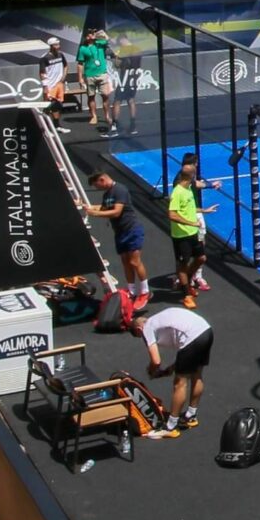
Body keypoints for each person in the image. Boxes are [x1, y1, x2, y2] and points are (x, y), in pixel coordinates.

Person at [139, 304, 213, 437]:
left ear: (139, 329)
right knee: (197, 375)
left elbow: (156, 361)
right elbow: (185, 349)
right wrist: (172, 368)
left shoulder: (147, 327)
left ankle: (170, 427)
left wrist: (152, 371)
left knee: (180, 383)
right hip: (206, 331)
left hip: (193, 338)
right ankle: (191, 416)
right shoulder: (161, 318)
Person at [85, 172, 151, 320]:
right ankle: (131, 291)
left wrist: (94, 214)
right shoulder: (107, 194)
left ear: (102, 180)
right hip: (120, 233)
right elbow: (104, 208)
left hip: (131, 229)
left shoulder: (120, 190)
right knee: (125, 262)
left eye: (97, 185)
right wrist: (89, 207)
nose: (98, 188)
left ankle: (145, 291)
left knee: (135, 261)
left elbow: (116, 212)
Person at [165, 155, 222, 307]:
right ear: (191, 176)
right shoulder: (177, 192)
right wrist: (191, 222)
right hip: (181, 235)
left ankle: (188, 281)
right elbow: (171, 214)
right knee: (183, 264)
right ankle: (186, 294)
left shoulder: (189, 188)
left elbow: (190, 208)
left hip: (192, 232)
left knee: (201, 258)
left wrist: (204, 210)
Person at [76, 27, 114, 134]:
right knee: (91, 96)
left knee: (105, 95)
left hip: (102, 73)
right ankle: (94, 116)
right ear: (86, 37)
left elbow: (108, 40)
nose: (91, 35)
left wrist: (100, 34)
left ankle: (107, 115)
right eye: (89, 34)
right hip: (89, 75)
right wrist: (80, 78)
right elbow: (80, 64)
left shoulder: (99, 43)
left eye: (92, 33)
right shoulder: (83, 48)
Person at [38, 39, 71, 127]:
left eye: (58, 44)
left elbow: (66, 65)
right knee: (48, 106)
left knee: (57, 105)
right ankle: (45, 127)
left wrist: (63, 77)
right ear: (51, 46)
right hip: (49, 86)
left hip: (59, 85)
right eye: (55, 45)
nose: (58, 47)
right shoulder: (44, 57)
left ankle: (57, 126)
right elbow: (42, 73)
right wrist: (45, 86)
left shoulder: (61, 55)